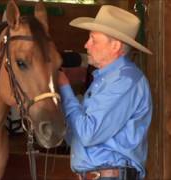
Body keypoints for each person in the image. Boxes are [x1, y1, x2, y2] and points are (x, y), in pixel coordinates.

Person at [58, 5, 153, 180]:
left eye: (93, 39)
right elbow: (75, 139)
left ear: (115, 45)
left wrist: (65, 89)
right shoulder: (105, 80)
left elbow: (88, 134)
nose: (86, 45)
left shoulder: (125, 81)